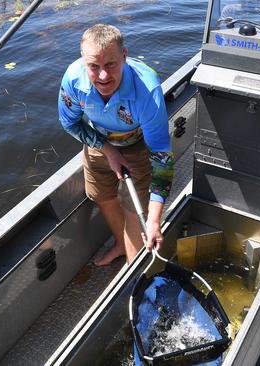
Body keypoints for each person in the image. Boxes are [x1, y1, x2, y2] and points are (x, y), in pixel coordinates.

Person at [58, 24, 174, 266]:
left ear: (124, 56)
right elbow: (70, 123)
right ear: (83, 62)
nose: (103, 76)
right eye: (94, 66)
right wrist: (108, 150)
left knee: (134, 210)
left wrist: (154, 220)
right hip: (99, 142)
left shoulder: (148, 91)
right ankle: (121, 245)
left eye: (110, 64)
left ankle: (134, 273)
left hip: (138, 145)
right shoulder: (72, 79)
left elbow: (161, 158)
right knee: (100, 194)